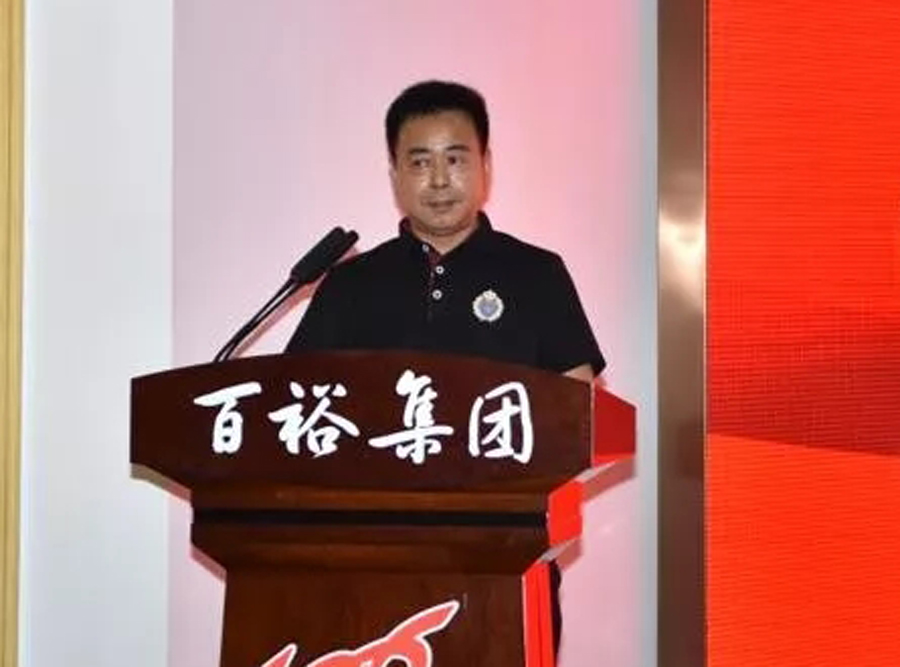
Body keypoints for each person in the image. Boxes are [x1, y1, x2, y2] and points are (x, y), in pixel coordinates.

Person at [285, 79, 605, 652]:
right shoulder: (350, 284)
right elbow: (294, 415)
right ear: (394, 175)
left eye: (455, 159)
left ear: (486, 166)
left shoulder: (537, 275)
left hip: (505, 563)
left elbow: (580, 415)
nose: (438, 180)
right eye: (419, 162)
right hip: (370, 567)